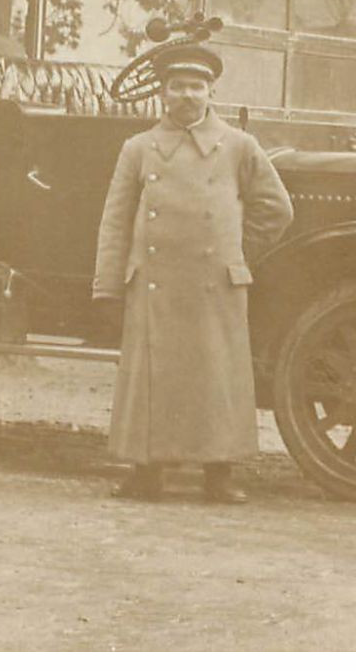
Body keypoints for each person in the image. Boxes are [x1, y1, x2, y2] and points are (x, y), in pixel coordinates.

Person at [91, 42, 294, 503]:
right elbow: (116, 219)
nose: (187, 95)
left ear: (211, 91)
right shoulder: (138, 148)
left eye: (196, 86)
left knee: (215, 378)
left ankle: (218, 476)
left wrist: (237, 254)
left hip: (214, 284)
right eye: (177, 86)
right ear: (162, 93)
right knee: (152, 377)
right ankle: (146, 474)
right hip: (154, 283)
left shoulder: (240, 146)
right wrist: (107, 285)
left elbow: (277, 209)